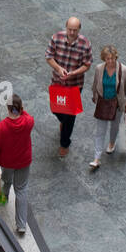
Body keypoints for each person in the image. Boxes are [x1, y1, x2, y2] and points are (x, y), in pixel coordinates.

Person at [0, 95, 34, 236]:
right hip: (24, 162)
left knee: (6, 180)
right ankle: (21, 225)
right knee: (21, 189)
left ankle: (4, 197)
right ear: (21, 108)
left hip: (7, 163)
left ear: (8, 108)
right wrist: (21, 111)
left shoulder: (2, 127)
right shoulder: (28, 122)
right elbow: (26, 115)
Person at [45, 16, 93, 157]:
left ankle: (64, 143)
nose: (72, 33)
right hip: (58, 82)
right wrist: (59, 69)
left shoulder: (85, 44)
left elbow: (87, 64)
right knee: (56, 109)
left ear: (79, 29)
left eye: (75, 30)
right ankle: (63, 121)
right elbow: (48, 56)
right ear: (66, 27)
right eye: (70, 29)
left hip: (74, 85)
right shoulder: (56, 38)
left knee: (71, 116)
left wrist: (74, 73)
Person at [87, 45, 126, 169]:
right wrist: (94, 96)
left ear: (116, 57)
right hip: (103, 102)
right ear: (104, 59)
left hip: (117, 104)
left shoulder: (124, 70)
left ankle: (112, 143)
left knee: (114, 126)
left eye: (112, 58)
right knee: (100, 130)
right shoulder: (99, 69)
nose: (110, 61)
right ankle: (96, 158)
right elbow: (95, 83)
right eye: (107, 59)